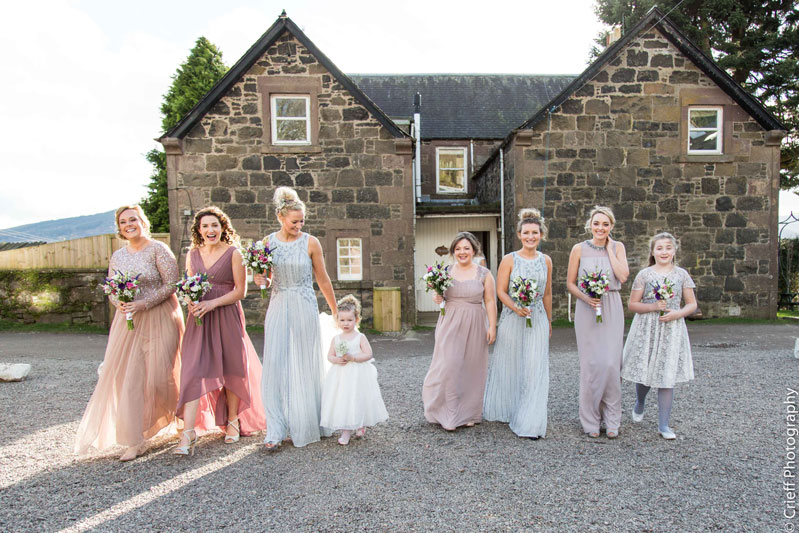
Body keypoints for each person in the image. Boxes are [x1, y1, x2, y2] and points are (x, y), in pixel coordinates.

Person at [75, 205, 183, 461]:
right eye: (123, 222)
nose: (128, 224)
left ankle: (178, 417)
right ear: (120, 228)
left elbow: (171, 283)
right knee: (130, 379)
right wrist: (120, 303)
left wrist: (144, 303)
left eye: (132, 219)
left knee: (160, 376)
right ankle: (136, 439)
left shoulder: (158, 249)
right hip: (129, 323)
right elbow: (113, 288)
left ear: (143, 221)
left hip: (160, 317)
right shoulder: (117, 256)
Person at [173, 207, 266, 456]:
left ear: (223, 227)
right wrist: (191, 301)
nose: (210, 230)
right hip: (200, 319)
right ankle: (188, 432)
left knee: (231, 368)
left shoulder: (234, 253)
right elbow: (189, 285)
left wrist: (212, 302)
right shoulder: (192, 254)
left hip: (226, 314)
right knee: (192, 370)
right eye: (205, 226)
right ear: (199, 230)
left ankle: (233, 420)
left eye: (214, 225)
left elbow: (240, 291)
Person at [255, 187, 338, 450]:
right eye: (294, 221)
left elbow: (322, 278)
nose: (299, 225)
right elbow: (266, 281)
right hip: (279, 304)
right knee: (277, 363)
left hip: (304, 303)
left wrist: (335, 310)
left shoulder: (311, 242)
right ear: (281, 217)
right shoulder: (267, 243)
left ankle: (306, 423)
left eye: (302, 221)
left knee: (304, 361)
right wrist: (260, 279)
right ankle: (276, 428)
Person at [483, 209, 552, 439]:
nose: (530, 237)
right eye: (526, 233)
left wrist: (549, 321)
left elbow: (548, 294)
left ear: (541, 234)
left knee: (534, 367)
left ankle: (530, 421)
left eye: (535, 232)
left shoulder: (547, 261)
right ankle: (511, 408)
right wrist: (516, 307)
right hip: (514, 318)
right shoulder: (509, 259)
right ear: (520, 234)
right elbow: (500, 291)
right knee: (512, 364)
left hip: (538, 318)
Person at [622, 232, 697, 440]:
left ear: (674, 251)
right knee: (645, 373)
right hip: (647, 326)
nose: (664, 251)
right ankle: (640, 402)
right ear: (653, 252)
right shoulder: (645, 275)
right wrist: (654, 306)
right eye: (660, 248)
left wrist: (678, 313)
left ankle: (664, 425)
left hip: (672, 328)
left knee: (666, 377)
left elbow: (692, 304)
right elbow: (632, 305)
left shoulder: (681, 275)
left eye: (668, 248)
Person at [423, 232, 497, 431]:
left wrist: (492, 326)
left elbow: (490, 301)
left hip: (475, 321)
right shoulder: (444, 272)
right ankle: (449, 413)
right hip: (450, 322)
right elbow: (438, 297)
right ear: (453, 252)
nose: (462, 252)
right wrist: (437, 297)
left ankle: (469, 413)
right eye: (457, 249)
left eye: (466, 248)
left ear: (473, 250)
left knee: (471, 368)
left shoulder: (484, 274)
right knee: (449, 366)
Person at [566, 206, 629, 439]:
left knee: (612, 364)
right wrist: (587, 298)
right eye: (596, 223)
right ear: (590, 225)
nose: (600, 228)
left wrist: (610, 250)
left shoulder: (618, 247)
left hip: (611, 305)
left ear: (611, 226)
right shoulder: (578, 249)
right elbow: (570, 283)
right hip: (587, 308)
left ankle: (612, 419)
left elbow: (623, 276)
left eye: (605, 224)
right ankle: (590, 420)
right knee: (592, 364)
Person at [320, 294, 388, 445]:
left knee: (356, 399)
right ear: (337, 321)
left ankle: (359, 423)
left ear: (356, 320)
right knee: (344, 399)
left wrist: (354, 358)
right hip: (341, 375)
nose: (345, 323)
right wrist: (336, 359)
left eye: (349, 320)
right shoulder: (336, 339)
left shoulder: (360, 337)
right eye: (342, 320)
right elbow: (329, 355)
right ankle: (346, 429)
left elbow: (368, 354)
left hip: (357, 375)